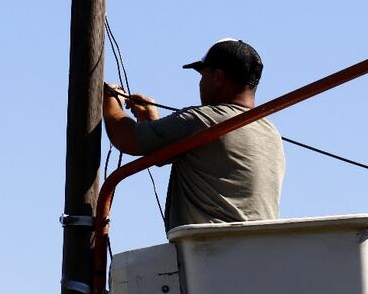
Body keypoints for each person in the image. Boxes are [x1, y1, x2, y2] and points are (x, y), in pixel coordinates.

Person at [102, 38, 285, 232]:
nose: (200, 83)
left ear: (218, 77)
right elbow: (195, 157)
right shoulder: (270, 132)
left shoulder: (203, 119)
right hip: (257, 250)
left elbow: (126, 138)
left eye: (202, 75)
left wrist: (110, 97)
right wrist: (153, 123)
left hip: (209, 250)